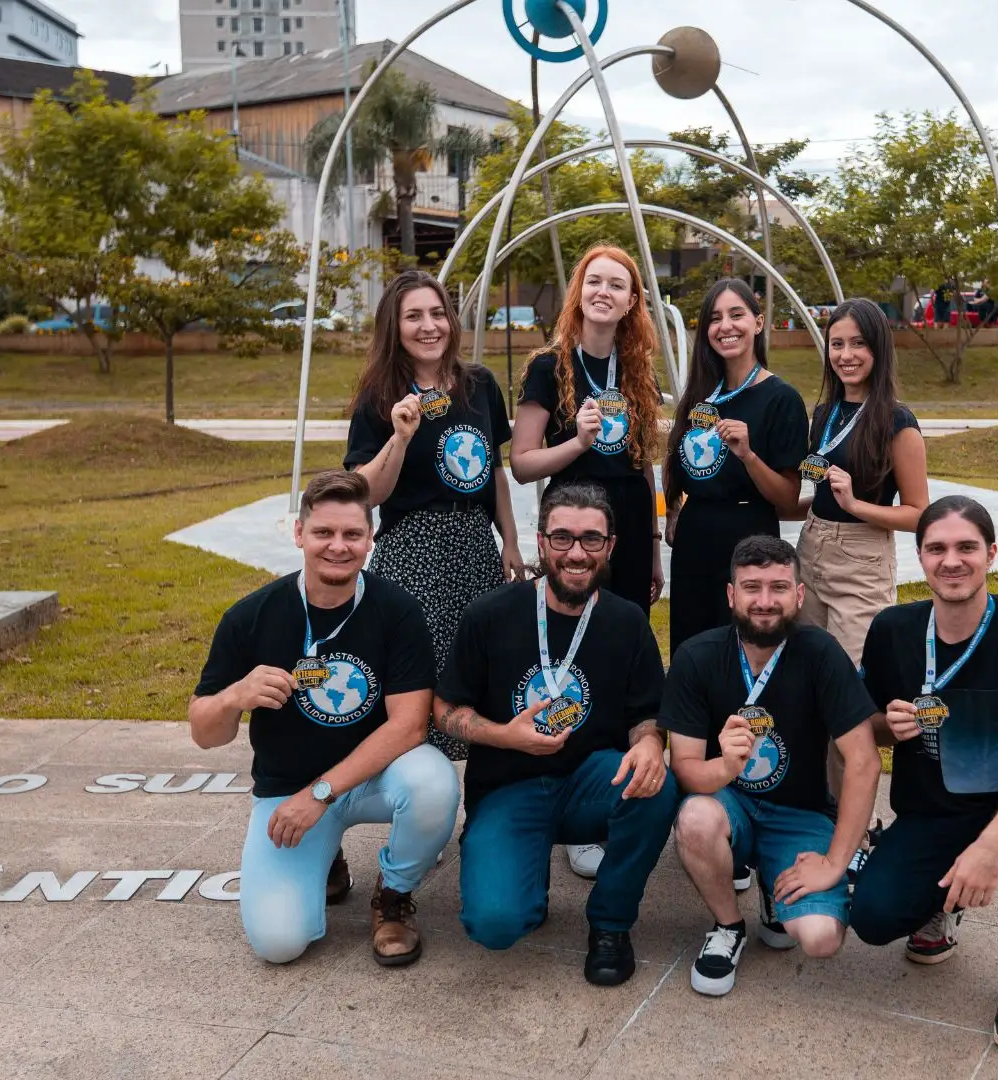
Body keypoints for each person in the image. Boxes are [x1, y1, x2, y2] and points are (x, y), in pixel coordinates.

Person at [189, 470, 461, 968]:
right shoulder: (250, 617)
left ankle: (393, 895)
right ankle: (325, 858)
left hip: (371, 779)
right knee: (278, 944)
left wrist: (321, 795)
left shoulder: (397, 611)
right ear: (298, 533)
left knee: (435, 782)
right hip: (288, 788)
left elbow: (410, 726)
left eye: (352, 534)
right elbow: (204, 731)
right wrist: (234, 697)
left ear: (369, 539)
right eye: (323, 533)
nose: (338, 546)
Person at [849, 496, 998, 1052]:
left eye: (966, 548)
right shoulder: (892, 628)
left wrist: (990, 846)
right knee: (873, 917)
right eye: (937, 548)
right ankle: (940, 904)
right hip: (930, 809)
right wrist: (888, 723)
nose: (951, 561)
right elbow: (864, 728)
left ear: (992, 554)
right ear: (920, 557)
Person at [434, 481, 679, 986]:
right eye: (562, 537)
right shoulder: (491, 614)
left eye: (591, 540)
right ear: (541, 540)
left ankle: (610, 923)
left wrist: (651, 744)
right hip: (508, 785)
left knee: (659, 786)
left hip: (591, 781)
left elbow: (647, 714)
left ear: (610, 546)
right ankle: (519, 868)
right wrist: (506, 736)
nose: (575, 553)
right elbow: (445, 710)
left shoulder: (627, 621)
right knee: (496, 926)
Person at [660, 536, 880, 997]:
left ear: (799, 596)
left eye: (778, 588)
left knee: (820, 939)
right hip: (730, 803)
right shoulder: (696, 657)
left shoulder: (820, 653)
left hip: (799, 812)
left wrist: (836, 862)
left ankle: (774, 888)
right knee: (695, 817)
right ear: (730, 594)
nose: (764, 601)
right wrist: (724, 766)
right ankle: (727, 926)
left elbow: (863, 760)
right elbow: (685, 769)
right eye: (751, 587)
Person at [345, 269, 526, 760]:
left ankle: (486, 794)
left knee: (480, 672)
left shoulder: (480, 385)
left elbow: (496, 472)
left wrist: (509, 541)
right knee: (417, 677)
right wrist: (400, 436)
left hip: (474, 543)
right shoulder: (379, 396)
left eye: (437, 313)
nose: (429, 326)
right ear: (394, 327)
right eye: (413, 316)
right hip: (412, 548)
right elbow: (369, 493)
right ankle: (421, 789)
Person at [511, 244, 666, 615]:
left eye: (615, 285)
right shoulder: (548, 367)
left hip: (630, 520)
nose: (603, 291)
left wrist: (654, 549)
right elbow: (521, 464)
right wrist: (578, 444)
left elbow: (642, 467)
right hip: (573, 516)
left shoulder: (640, 373)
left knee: (625, 628)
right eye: (594, 281)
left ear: (630, 302)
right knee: (571, 619)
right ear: (579, 293)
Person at [663, 279, 807, 653]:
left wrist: (748, 455)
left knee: (744, 646)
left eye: (736, 315)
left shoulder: (782, 399)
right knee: (691, 645)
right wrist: (674, 511)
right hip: (695, 540)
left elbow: (789, 497)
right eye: (715, 318)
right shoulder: (701, 394)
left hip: (749, 536)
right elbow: (676, 460)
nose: (725, 326)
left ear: (758, 323)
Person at [795, 299, 929, 666]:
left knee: (853, 678)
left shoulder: (897, 422)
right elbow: (817, 490)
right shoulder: (825, 413)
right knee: (808, 669)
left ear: (878, 348)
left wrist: (855, 506)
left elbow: (919, 514)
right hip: (811, 548)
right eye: (837, 344)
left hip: (862, 560)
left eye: (858, 343)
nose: (846, 355)